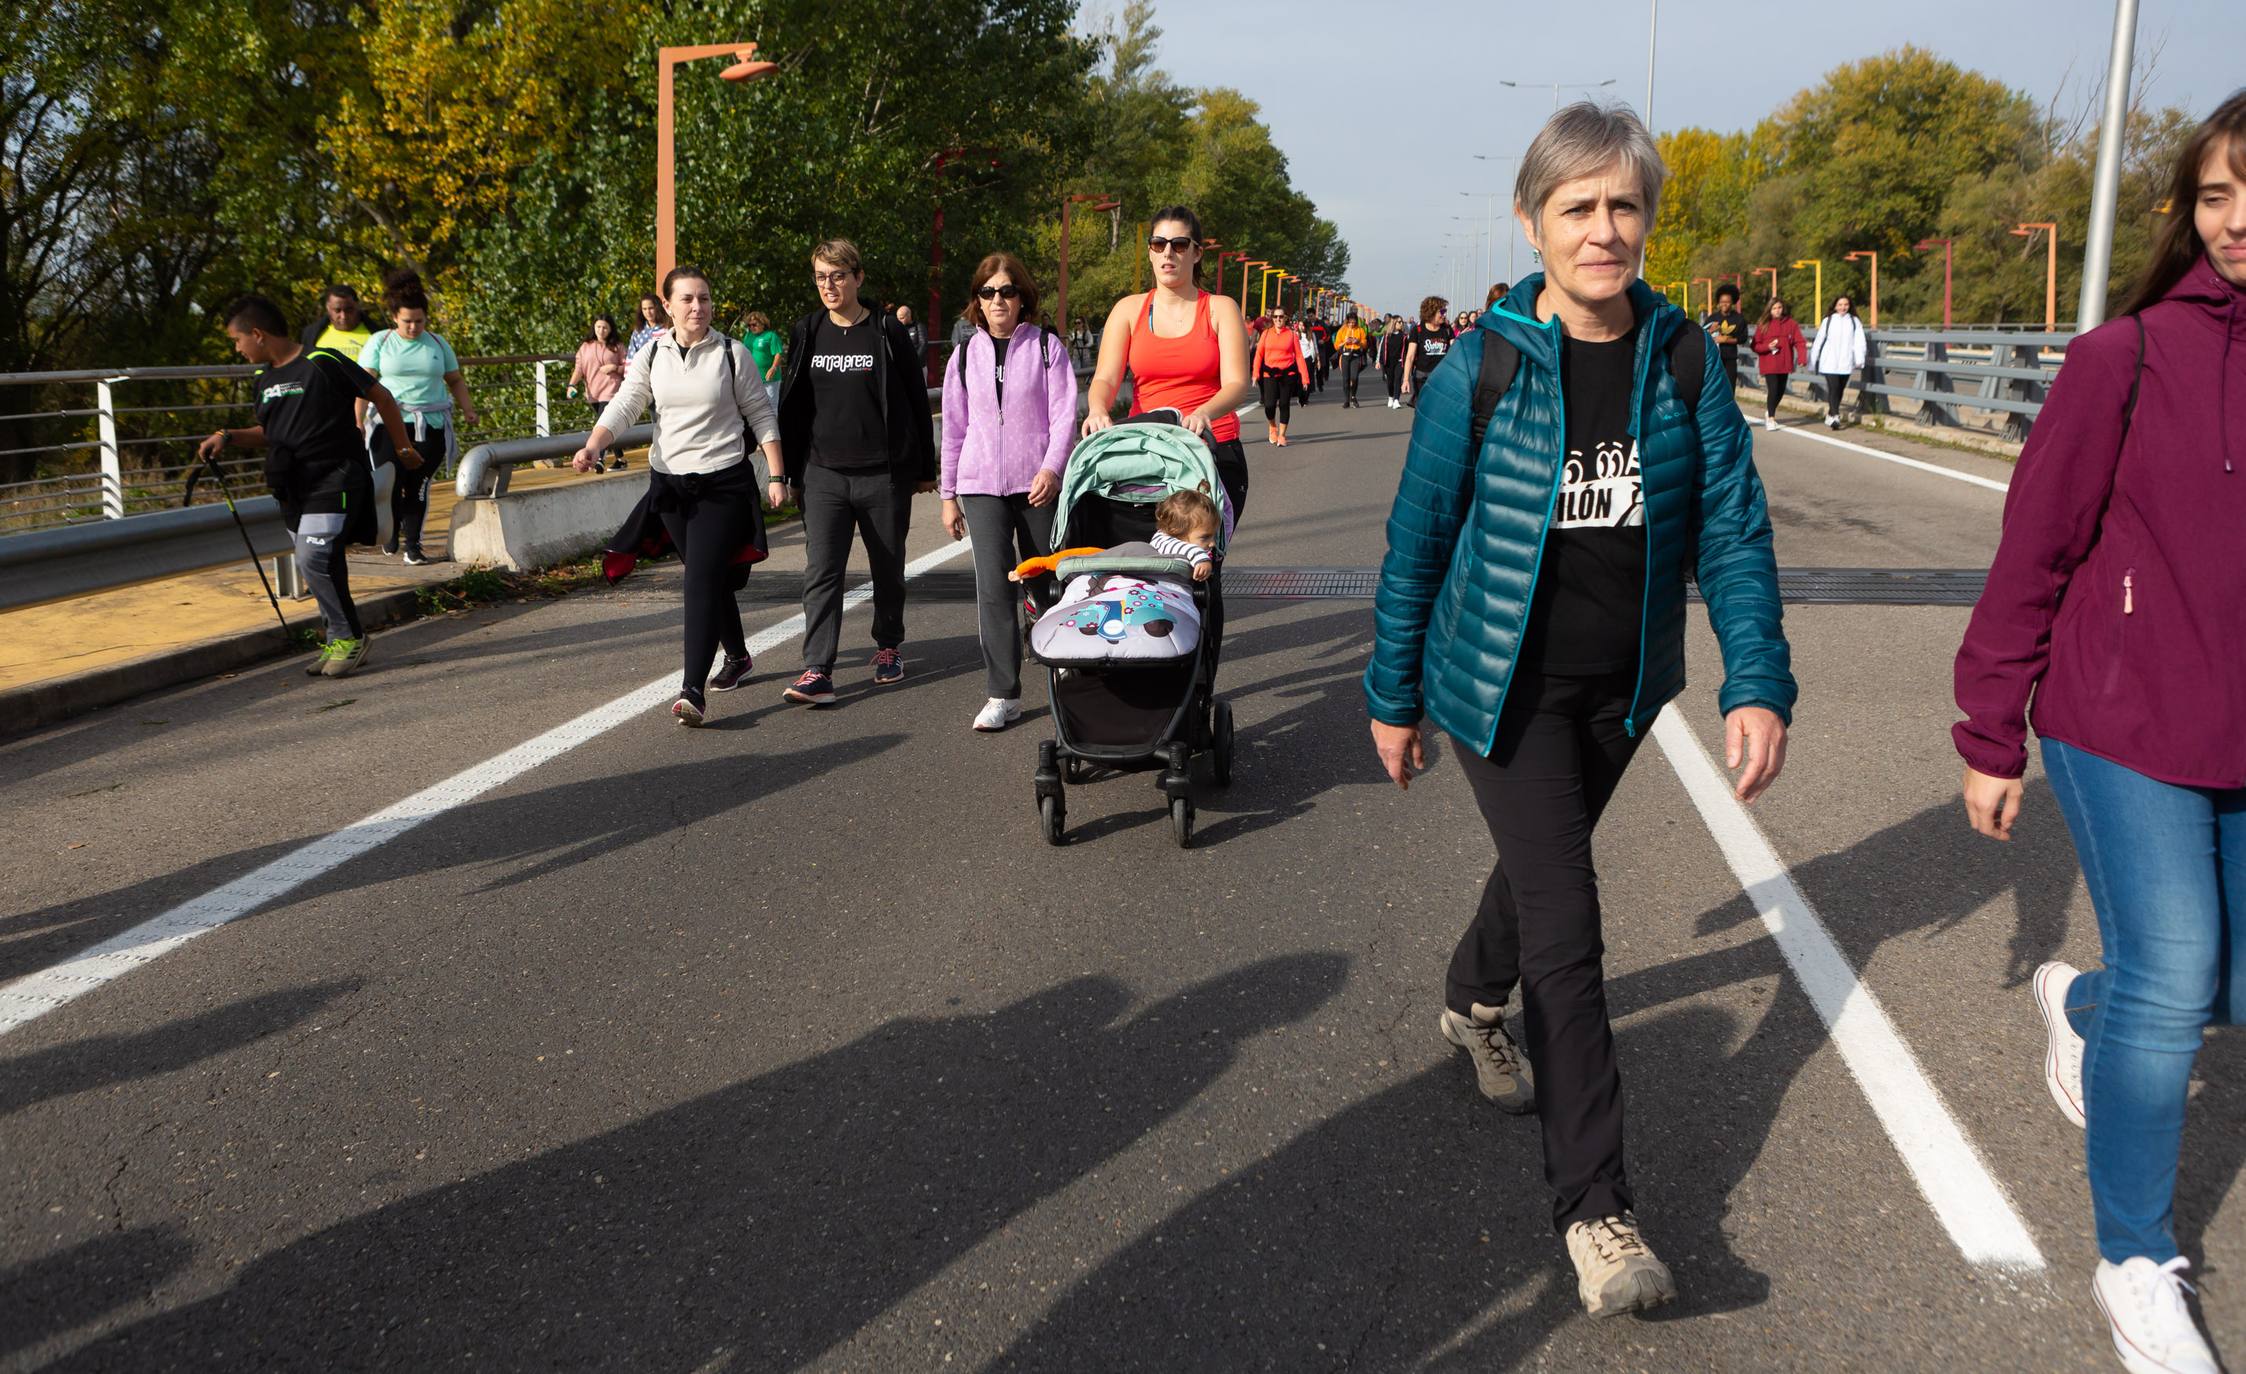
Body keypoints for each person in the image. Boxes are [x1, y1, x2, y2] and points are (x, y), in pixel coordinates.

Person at [1365, 102, 1793, 1320]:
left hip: (1621, 688)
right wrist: (1390, 696)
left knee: (1537, 878)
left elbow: (1732, 529)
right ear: (1531, 219)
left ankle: (1467, 999)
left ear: (1646, 218)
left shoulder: (1683, 359)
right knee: (1571, 929)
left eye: (1621, 206)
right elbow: (1416, 541)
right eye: (1575, 207)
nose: (1601, 231)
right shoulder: (1482, 363)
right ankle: (1596, 1212)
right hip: (1500, 691)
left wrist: (1752, 676)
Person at [1954, 89, 2246, 1374]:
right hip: (2119, 714)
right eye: (2214, 194)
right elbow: (2036, 545)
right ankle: (2133, 1260)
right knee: (2179, 980)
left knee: (2224, 988)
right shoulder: (2120, 358)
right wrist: (1987, 726)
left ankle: (2081, 1011)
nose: (2233, 221)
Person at [578, 265, 785, 727]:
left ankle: (692, 688)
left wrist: (776, 474)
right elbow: (627, 403)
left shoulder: (732, 354)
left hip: (722, 484)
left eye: (705, 299)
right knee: (706, 574)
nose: (698, 307)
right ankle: (737, 655)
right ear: (667, 307)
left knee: (699, 581)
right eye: (688, 299)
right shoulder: (652, 354)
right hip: (670, 486)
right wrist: (594, 444)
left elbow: (760, 413)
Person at [200, 294, 424, 677]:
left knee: (312, 557)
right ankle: (337, 637)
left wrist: (402, 447)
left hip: (335, 474)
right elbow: (272, 432)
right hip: (292, 483)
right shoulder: (263, 379)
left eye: (238, 340)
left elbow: (380, 396)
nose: (237, 349)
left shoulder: (322, 361)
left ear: (258, 333)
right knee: (324, 562)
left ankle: (350, 637)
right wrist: (228, 436)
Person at [774, 238, 939, 705]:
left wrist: (923, 467)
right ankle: (817, 669)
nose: (829, 285)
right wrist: (786, 469)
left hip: (882, 475)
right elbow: (794, 401)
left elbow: (913, 399)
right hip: (823, 473)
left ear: (858, 278)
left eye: (838, 276)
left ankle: (888, 646)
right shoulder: (808, 330)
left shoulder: (886, 331)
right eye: (821, 277)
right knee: (822, 571)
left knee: (888, 568)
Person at [938, 251, 1079, 733]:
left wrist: (1052, 468)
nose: (998, 300)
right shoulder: (962, 357)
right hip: (981, 487)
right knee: (994, 589)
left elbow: (1064, 415)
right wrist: (948, 494)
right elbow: (954, 430)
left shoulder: (1046, 348)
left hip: (1036, 484)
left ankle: (1068, 668)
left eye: (1007, 291)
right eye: (988, 292)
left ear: (1022, 298)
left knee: (1047, 581)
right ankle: (1003, 694)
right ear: (977, 300)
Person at [1084, 206, 1253, 521]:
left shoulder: (1220, 309)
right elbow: (1105, 378)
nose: (1168, 253)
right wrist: (1097, 409)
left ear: (1197, 253)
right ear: (1150, 252)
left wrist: (1204, 413)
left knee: (1198, 561)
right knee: (1141, 560)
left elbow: (1237, 384)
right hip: (1147, 453)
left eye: (1179, 245)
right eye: (1158, 244)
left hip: (1209, 449)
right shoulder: (1128, 310)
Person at [357, 272, 478, 564]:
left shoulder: (437, 344)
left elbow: (455, 380)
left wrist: (468, 408)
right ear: (394, 318)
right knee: (388, 484)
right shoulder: (380, 342)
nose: (413, 327)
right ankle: (390, 532)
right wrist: (358, 421)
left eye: (419, 321)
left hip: (430, 425)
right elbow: (363, 384)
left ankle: (413, 546)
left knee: (417, 485)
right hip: (388, 425)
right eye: (406, 321)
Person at [568, 314, 628, 467]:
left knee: (602, 424)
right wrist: (571, 385)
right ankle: (621, 459)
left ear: (610, 329)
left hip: (611, 390)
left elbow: (628, 367)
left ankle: (599, 459)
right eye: (598, 327)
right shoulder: (585, 347)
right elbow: (579, 369)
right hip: (593, 392)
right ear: (594, 328)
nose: (601, 330)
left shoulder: (617, 346)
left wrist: (614, 367)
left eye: (605, 327)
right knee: (608, 426)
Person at [1252, 305, 1312, 446]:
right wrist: (1255, 374)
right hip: (1270, 374)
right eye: (1276, 317)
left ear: (1285, 318)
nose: (1278, 319)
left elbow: (1299, 357)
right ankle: (1272, 426)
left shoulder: (1291, 335)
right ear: (1272, 318)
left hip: (1288, 374)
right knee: (1269, 405)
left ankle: (1282, 435)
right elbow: (1259, 355)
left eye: (1281, 316)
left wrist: (1305, 378)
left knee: (1284, 404)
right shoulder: (1266, 334)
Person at [1807, 294, 1865, 428]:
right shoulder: (1828, 320)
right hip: (1829, 361)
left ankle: (1830, 414)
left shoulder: (1854, 321)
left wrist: (1859, 359)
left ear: (1849, 306)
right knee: (1833, 387)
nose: (1843, 307)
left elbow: (1859, 341)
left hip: (1845, 361)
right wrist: (1812, 360)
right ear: (1835, 306)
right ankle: (1835, 416)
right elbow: (1819, 341)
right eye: (1840, 305)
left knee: (1840, 389)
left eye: (1846, 305)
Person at [1749, 297, 1806, 432]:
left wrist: (1802, 358)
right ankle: (1771, 418)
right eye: (1774, 308)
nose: (1777, 310)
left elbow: (1800, 342)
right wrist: (1767, 347)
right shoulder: (1763, 324)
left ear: (1783, 308)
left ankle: (1770, 410)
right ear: (1770, 310)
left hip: (1784, 363)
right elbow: (1755, 345)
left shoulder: (1791, 324)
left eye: (1779, 307)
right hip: (1769, 363)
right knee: (1773, 389)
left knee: (1780, 391)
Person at [1150, 487, 1220, 581]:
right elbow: (1183, 548)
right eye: (1205, 537)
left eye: (1213, 536)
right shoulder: (1162, 540)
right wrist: (1202, 559)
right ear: (1176, 532)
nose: (1212, 543)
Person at [1398, 296, 1455, 407]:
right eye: (1442, 311)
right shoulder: (1418, 330)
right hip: (1422, 376)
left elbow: (1455, 351)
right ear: (1431, 312)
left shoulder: (1447, 329)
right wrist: (1405, 380)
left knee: (1440, 408)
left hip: (1442, 376)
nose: (1444, 314)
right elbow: (1410, 356)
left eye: (1445, 311)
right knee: (1424, 408)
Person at [299, 285, 377, 361]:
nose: (343, 316)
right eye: (337, 310)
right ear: (328, 308)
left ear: (357, 306)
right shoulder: (311, 335)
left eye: (349, 310)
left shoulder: (377, 335)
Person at [1702, 282, 1747, 393]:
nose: (1724, 304)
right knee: (1713, 387)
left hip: (1730, 358)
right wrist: (1711, 332)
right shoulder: (1712, 318)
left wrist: (1727, 340)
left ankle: (1729, 408)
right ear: (1718, 302)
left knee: (1730, 387)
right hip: (1714, 358)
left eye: (1727, 302)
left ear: (1732, 302)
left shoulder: (1739, 318)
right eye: (1722, 302)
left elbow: (1743, 338)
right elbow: (1702, 335)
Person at [741, 310, 786, 412]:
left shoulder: (771, 336)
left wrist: (773, 368)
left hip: (769, 378)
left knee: (771, 406)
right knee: (755, 406)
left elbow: (778, 353)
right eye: (749, 325)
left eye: (754, 324)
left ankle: (773, 427)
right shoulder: (748, 336)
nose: (751, 327)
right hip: (753, 378)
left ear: (762, 323)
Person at [1333, 311, 1371, 407]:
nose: (1351, 324)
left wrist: (1358, 342)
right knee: (1345, 379)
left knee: (1354, 377)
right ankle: (1346, 400)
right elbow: (1336, 345)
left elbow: (1365, 344)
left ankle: (1353, 396)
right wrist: (1345, 342)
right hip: (1345, 356)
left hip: (1356, 356)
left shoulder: (1360, 330)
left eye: (1353, 322)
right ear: (1347, 321)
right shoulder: (1342, 330)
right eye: (1350, 322)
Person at [1377, 313, 1410, 409]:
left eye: (1402, 322)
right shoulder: (1387, 335)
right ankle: (1390, 397)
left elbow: (1408, 350)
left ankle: (1396, 400)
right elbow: (1381, 348)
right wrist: (1378, 361)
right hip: (1388, 361)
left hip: (1399, 361)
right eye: (1399, 322)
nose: (1401, 324)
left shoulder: (1404, 337)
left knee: (1397, 379)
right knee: (1390, 381)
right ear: (1394, 323)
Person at [627, 293, 669, 359]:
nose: (648, 312)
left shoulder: (666, 329)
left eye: (651, 308)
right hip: (640, 368)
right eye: (644, 309)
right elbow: (631, 357)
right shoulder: (638, 331)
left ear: (657, 308)